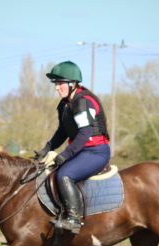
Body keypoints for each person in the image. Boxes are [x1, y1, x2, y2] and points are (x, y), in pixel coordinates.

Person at [35, 61, 111, 234]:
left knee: (65, 175)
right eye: (56, 84)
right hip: (82, 151)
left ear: (73, 84)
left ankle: (74, 220)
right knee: (49, 171)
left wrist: (65, 155)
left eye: (60, 83)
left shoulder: (83, 102)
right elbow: (63, 131)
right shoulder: (65, 104)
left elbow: (84, 134)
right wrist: (47, 148)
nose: (56, 88)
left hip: (96, 152)